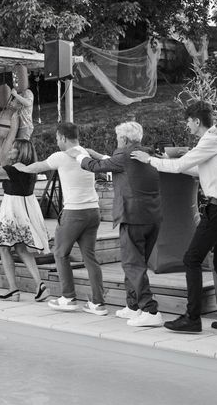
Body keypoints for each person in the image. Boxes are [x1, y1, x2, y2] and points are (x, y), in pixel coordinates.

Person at [131, 101, 217, 333]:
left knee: (191, 259)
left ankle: (192, 318)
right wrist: (166, 162)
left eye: (188, 121)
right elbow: (198, 170)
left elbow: (180, 166)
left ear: (197, 121)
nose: (186, 125)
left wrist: (149, 160)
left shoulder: (211, 140)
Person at [68, 122, 164, 326]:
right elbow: (115, 163)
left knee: (132, 263)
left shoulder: (124, 157)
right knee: (137, 262)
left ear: (125, 140)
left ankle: (150, 310)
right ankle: (133, 306)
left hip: (133, 216)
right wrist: (97, 154)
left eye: (118, 138)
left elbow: (95, 167)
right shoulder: (148, 154)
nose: (116, 141)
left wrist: (78, 155)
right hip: (152, 216)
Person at [13, 122, 106, 315]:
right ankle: (98, 303)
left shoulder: (61, 156)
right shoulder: (85, 153)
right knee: (90, 257)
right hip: (93, 211)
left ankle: (68, 297)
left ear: (63, 138)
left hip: (74, 212)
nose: (56, 142)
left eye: (57, 138)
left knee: (60, 253)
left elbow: (37, 167)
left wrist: (21, 167)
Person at [0, 130, 49, 302]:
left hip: (12, 210)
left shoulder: (14, 169)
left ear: (20, 152)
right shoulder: (29, 169)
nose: (9, 151)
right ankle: (40, 285)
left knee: (4, 247)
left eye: (12, 149)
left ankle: (13, 289)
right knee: (20, 248)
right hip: (26, 208)